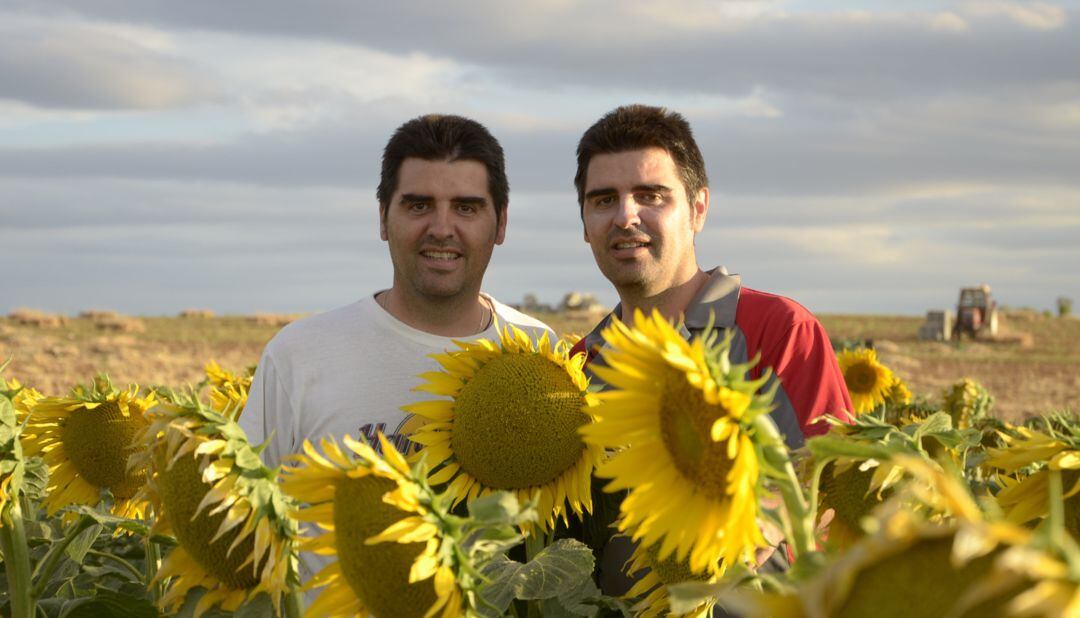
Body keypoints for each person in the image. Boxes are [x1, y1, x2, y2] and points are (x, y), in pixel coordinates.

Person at [568, 104, 853, 595]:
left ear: (698, 208)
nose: (625, 216)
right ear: (585, 223)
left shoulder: (778, 331)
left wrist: (759, 520)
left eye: (651, 196)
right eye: (603, 200)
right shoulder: (579, 364)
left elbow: (843, 487)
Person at [240, 114, 550, 466]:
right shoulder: (299, 356)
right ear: (383, 217)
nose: (441, 228)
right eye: (419, 206)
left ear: (501, 224)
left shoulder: (540, 357)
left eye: (466, 208)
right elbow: (247, 506)